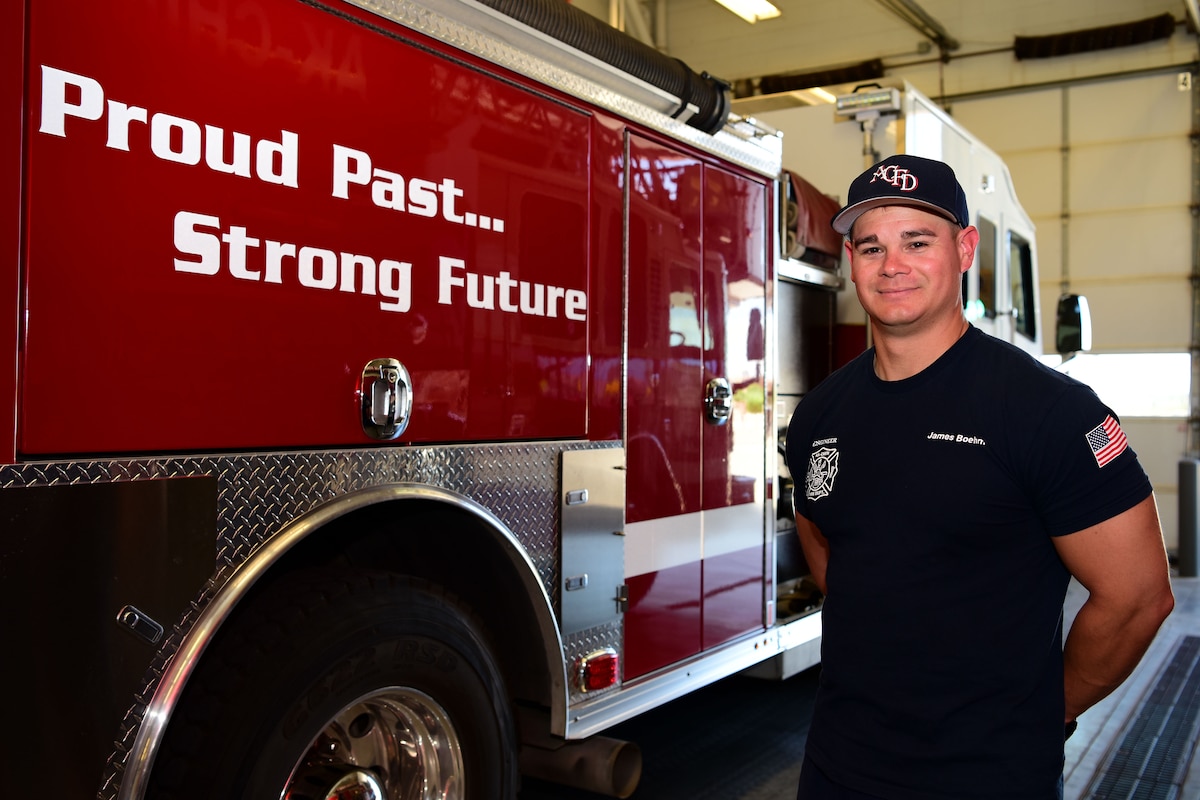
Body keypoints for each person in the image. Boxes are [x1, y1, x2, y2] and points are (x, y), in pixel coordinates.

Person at [784, 153, 1175, 800]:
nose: (893, 266)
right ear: (850, 259)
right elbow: (824, 536)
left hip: (988, 774)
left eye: (918, 242)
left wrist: (1047, 713)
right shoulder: (821, 413)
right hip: (838, 762)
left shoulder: (1047, 412)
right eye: (871, 246)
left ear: (965, 249)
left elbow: (1138, 597)